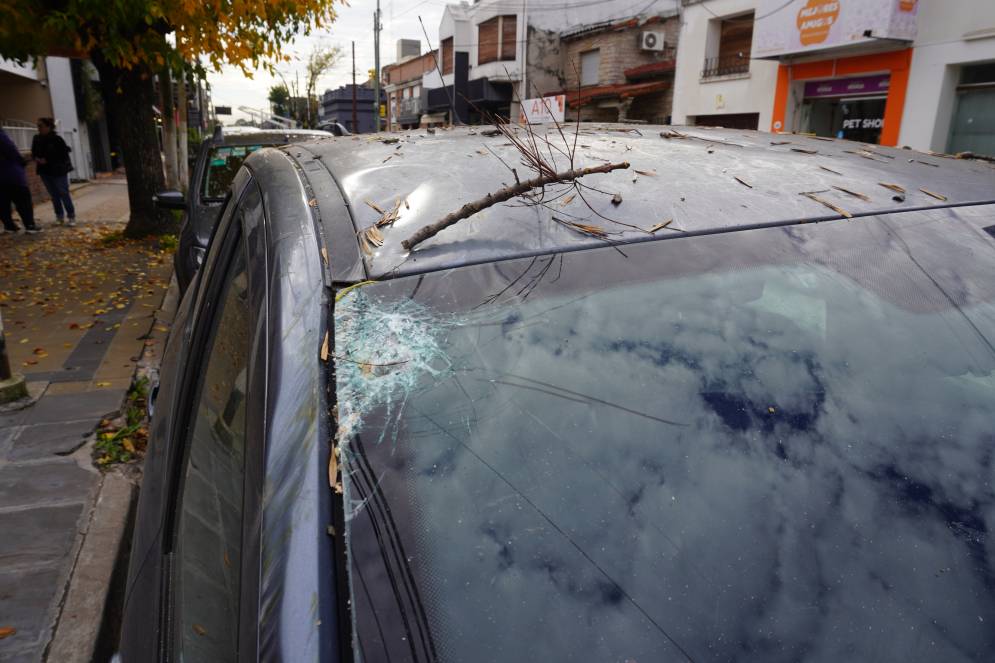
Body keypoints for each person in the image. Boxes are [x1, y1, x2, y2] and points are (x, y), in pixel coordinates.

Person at [31, 117, 76, 226]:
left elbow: (63, 154)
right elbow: (33, 152)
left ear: (49, 127)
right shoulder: (36, 138)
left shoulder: (57, 139)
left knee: (63, 193)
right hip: (44, 171)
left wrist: (48, 159)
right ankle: (59, 217)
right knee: (54, 195)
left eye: (40, 126)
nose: (38, 128)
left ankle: (71, 216)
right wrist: (36, 158)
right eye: (37, 126)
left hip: (58, 171)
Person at [0, 126, 41, 234]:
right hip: (10, 174)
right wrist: (21, 161)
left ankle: (9, 226)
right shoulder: (1, 136)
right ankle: (30, 225)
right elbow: (11, 150)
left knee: (3, 202)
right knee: (23, 201)